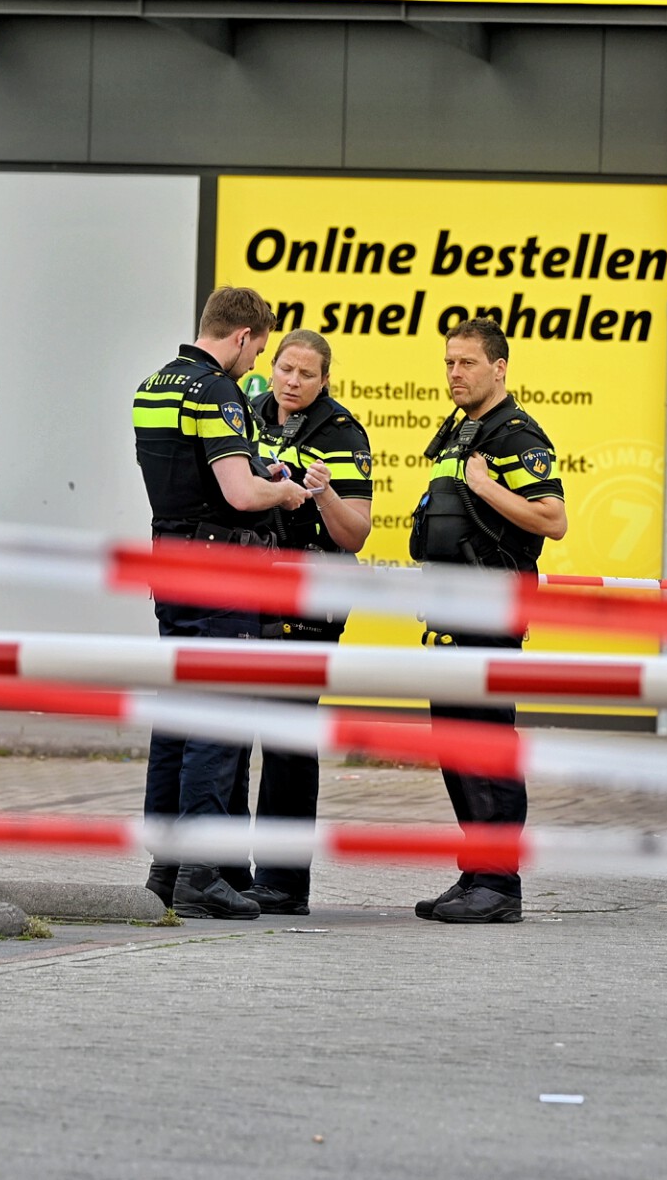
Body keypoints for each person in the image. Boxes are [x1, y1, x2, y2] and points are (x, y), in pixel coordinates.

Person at [133, 286, 309, 919]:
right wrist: (284, 494)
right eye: (258, 351)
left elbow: (192, 477)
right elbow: (237, 495)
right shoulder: (217, 391)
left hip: (171, 567)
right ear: (241, 337)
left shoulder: (153, 385)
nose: (256, 365)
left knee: (177, 718)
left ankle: (166, 869)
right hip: (222, 575)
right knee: (218, 722)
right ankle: (204, 874)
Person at [408, 317, 567, 925]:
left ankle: (500, 885)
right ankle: (476, 872)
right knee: (455, 747)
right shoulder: (458, 432)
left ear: (499, 368)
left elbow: (552, 519)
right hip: (449, 616)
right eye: (449, 362)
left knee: (487, 745)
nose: (455, 373)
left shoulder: (515, 434)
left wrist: (487, 486)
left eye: (467, 363)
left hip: (490, 613)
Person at [242, 329, 373, 915]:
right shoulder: (248, 411)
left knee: (289, 739)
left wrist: (323, 496)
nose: (292, 383)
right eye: (285, 370)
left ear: (325, 380)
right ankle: (225, 871)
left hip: (310, 599)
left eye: (306, 375)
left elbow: (358, 533)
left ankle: (284, 881)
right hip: (251, 591)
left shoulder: (342, 432)